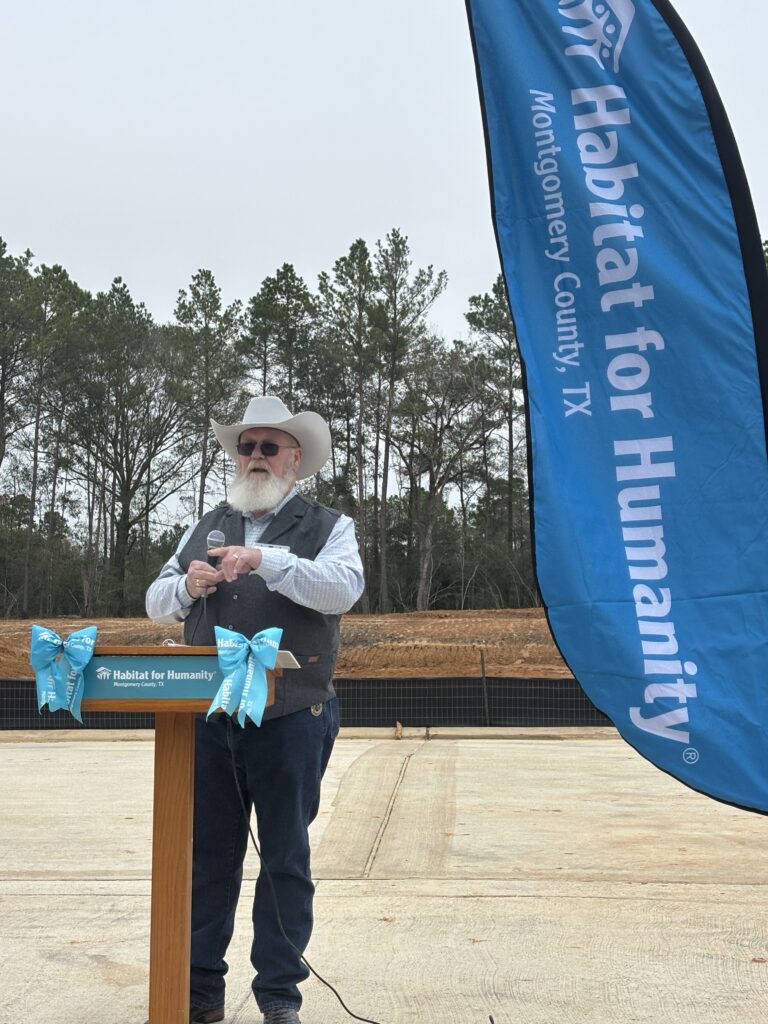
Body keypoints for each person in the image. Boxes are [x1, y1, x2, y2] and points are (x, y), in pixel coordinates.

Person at [146, 395, 365, 1024]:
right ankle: (198, 994)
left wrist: (264, 561)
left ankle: (277, 997)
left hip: (291, 717)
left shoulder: (331, 527)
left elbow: (341, 589)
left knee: (284, 858)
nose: (256, 457)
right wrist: (185, 586)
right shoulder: (207, 524)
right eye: (247, 446)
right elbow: (155, 600)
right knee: (208, 857)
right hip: (207, 719)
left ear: (296, 459)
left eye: (270, 447)